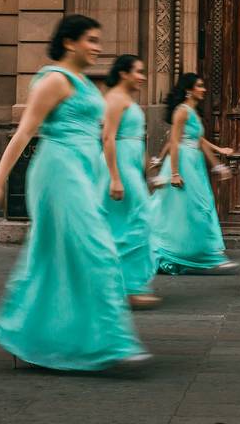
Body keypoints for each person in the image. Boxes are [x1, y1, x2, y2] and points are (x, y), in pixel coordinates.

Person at [0, 15, 149, 371]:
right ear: (69, 42)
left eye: (99, 40)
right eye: (91, 40)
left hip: (82, 172)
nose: (98, 47)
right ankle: (111, 342)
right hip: (58, 171)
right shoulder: (53, 80)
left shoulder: (84, 83)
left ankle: (31, 334)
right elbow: (23, 133)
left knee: (57, 257)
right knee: (96, 249)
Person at [150, 73, 236, 274]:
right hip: (183, 163)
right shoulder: (181, 111)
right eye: (199, 86)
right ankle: (202, 254)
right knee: (191, 208)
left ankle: (199, 252)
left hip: (194, 162)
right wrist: (174, 173)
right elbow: (174, 142)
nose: (203, 89)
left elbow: (198, 139)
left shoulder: (192, 111)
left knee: (198, 205)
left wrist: (218, 155)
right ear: (189, 89)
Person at [98, 54, 160, 310]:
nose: (142, 76)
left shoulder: (127, 99)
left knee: (130, 223)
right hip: (119, 167)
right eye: (138, 71)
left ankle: (126, 285)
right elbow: (108, 138)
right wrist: (114, 177)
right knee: (135, 221)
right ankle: (128, 288)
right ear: (123, 73)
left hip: (131, 166)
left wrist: (148, 171)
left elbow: (136, 138)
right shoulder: (114, 98)